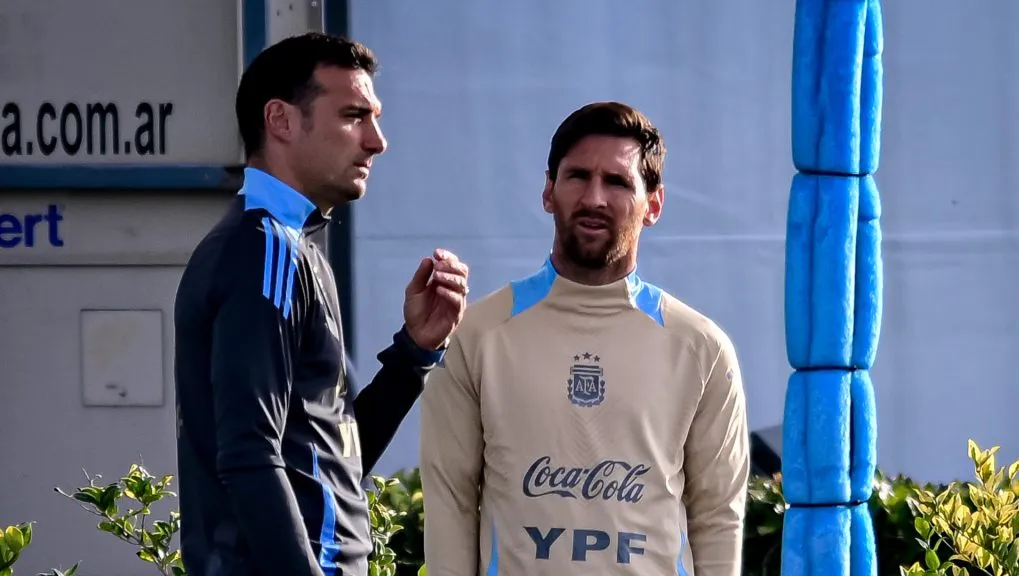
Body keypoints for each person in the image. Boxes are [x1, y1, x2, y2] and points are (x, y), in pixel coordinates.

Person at [173, 33, 469, 576]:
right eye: (354, 115)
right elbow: (248, 458)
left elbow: (331, 460)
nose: (377, 141)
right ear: (281, 121)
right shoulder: (264, 250)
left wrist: (413, 355)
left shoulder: (286, 246)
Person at [420, 101, 749, 576]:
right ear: (549, 191)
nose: (594, 198)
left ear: (653, 204)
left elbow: (719, 516)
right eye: (577, 177)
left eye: (617, 182)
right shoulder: (477, 334)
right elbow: (448, 500)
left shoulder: (701, 347)